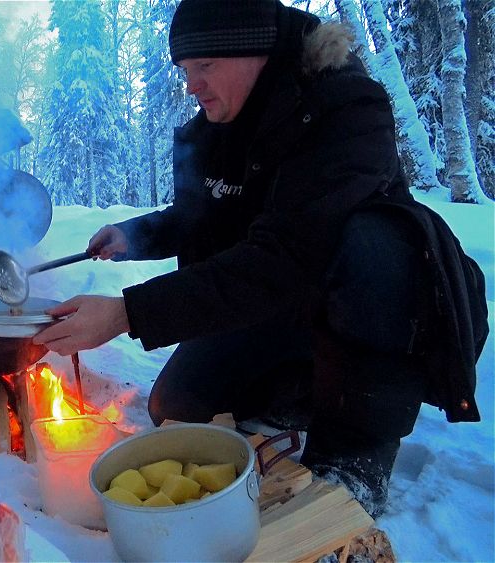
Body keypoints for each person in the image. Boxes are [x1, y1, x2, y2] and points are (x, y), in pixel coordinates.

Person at [33, 0, 433, 518]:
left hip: (360, 306)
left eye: (205, 66)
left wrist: (127, 312)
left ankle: (360, 445)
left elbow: (290, 253)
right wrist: (136, 234)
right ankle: (299, 390)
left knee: (368, 239)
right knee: (174, 408)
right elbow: (206, 213)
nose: (191, 85)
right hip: (272, 301)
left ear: (256, 52)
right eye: (184, 70)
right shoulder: (223, 122)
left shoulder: (346, 110)